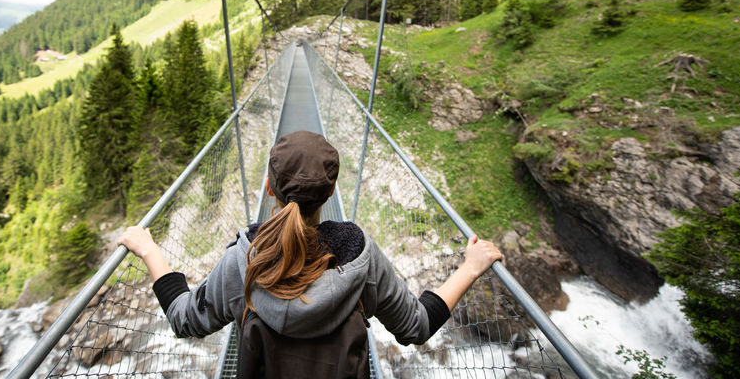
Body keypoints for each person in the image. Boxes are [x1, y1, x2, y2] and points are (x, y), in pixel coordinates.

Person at [119, 130, 502, 373]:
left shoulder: (243, 260)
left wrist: (151, 251)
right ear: (331, 193)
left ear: (270, 188)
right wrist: (469, 268)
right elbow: (415, 326)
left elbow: (185, 320)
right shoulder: (360, 255)